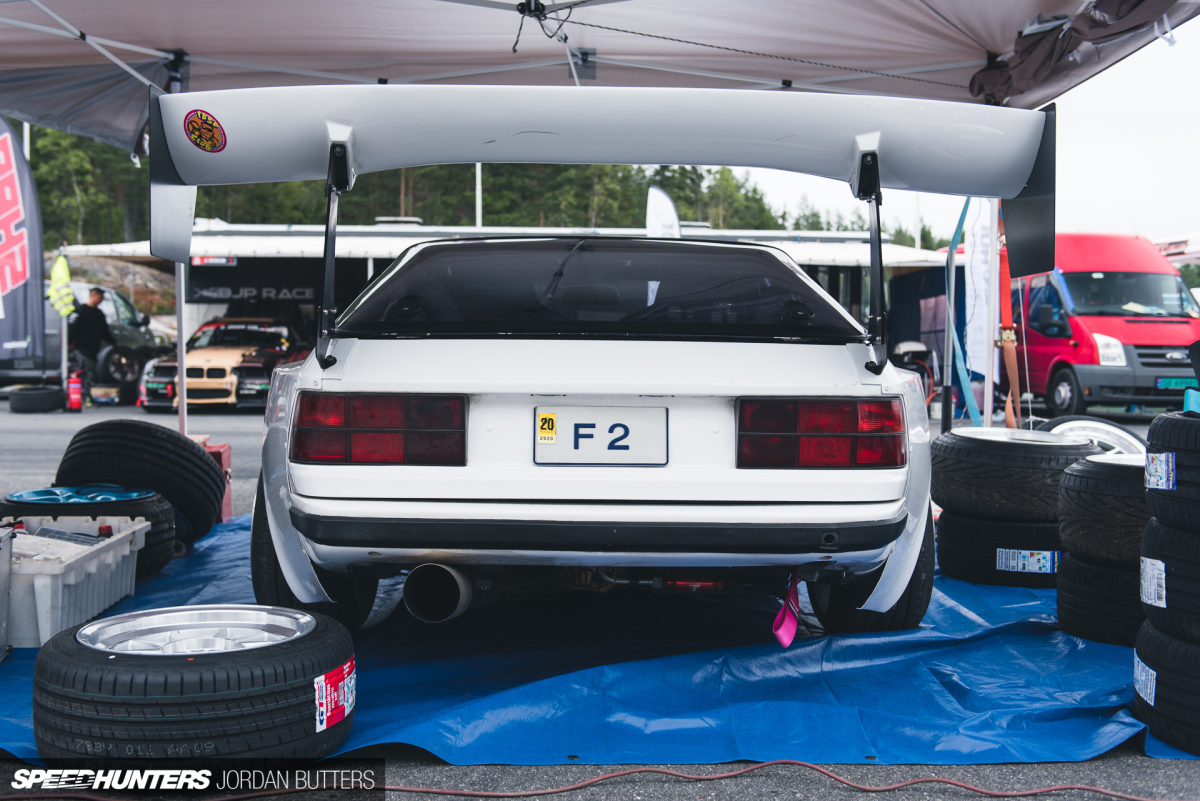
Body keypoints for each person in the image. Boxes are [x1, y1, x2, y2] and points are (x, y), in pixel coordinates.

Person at [69, 287, 115, 407]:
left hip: (93, 350)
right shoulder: (80, 311)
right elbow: (71, 328)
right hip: (80, 349)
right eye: (100, 298)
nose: (101, 300)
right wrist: (69, 345)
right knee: (84, 373)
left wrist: (114, 343)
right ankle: (82, 398)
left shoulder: (99, 314)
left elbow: (105, 332)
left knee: (90, 374)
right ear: (93, 296)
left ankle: (85, 397)